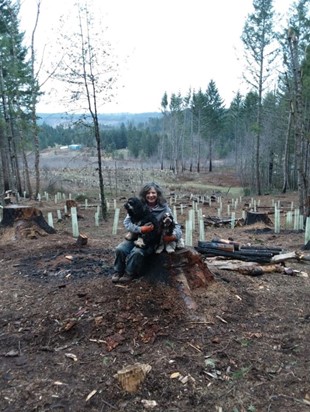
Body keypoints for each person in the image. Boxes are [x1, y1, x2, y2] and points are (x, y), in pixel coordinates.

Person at [112, 182, 182, 283]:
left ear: (157, 194)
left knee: (137, 252)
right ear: (144, 195)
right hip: (135, 236)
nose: (151, 195)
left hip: (152, 240)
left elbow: (176, 225)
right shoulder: (137, 205)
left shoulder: (164, 208)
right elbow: (127, 222)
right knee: (120, 249)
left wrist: (174, 236)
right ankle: (118, 271)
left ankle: (129, 272)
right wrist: (140, 229)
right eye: (148, 193)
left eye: (153, 193)